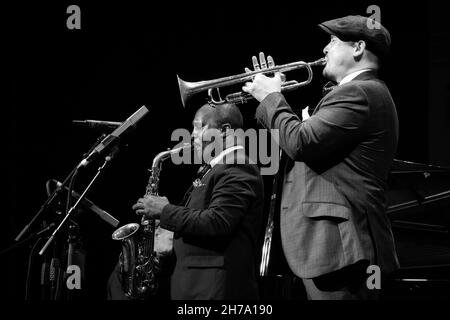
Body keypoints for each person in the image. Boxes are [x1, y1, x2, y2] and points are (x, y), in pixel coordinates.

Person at [242, 15, 399, 300]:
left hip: (342, 248)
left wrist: (271, 98)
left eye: (333, 41)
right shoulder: (356, 93)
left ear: (358, 48)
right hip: (335, 248)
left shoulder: (359, 93)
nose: (325, 49)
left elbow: (300, 143)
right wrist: (270, 99)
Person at [131, 102, 264, 300]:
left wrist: (165, 211)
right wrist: (166, 220)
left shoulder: (238, 165)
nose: (192, 135)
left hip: (215, 289)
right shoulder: (217, 169)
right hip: (198, 285)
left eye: (199, 126)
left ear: (225, 131)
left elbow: (218, 222)